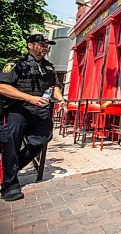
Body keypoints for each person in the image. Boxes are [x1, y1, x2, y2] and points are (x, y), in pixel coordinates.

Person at [0, 34, 68, 201]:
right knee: (11, 145)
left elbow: (54, 87)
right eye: (42, 44)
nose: (46, 47)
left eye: (47, 44)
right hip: (17, 110)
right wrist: (29, 98)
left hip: (40, 112)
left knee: (43, 138)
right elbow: (2, 87)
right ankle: (9, 185)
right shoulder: (16, 63)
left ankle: (11, 169)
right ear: (30, 45)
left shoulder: (49, 67)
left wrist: (62, 100)